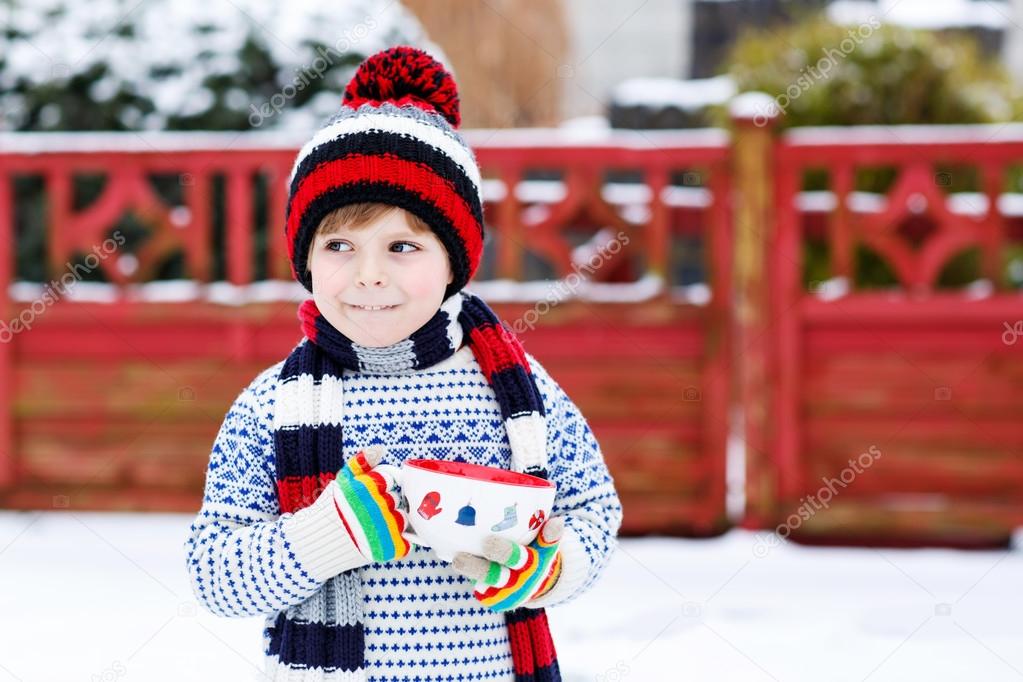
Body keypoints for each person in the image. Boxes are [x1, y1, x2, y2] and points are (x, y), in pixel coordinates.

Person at [183, 45, 622, 682]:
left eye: (402, 246)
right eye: (338, 244)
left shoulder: (516, 389)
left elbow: (592, 513)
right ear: (305, 258)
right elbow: (216, 573)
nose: (368, 276)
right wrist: (330, 533)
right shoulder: (271, 404)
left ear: (455, 261)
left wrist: (549, 569)